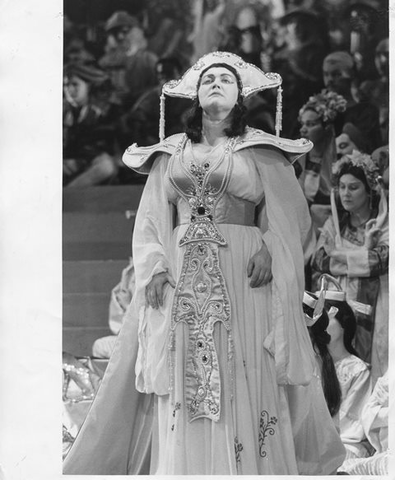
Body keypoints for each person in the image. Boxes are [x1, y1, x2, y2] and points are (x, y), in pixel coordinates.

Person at [63, 51, 345, 475]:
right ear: (195, 92)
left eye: (226, 79)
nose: (216, 83)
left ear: (239, 95)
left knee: (242, 363)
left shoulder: (258, 148)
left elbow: (291, 216)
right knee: (183, 367)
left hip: (243, 272)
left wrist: (270, 248)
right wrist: (156, 266)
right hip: (181, 271)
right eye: (208, 78)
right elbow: (152, 218)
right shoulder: (172, 150)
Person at [312, 151, 388, 384]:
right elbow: (320, 261)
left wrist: (339, 256)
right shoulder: (334, 224)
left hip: (377, 305)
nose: (346, 193)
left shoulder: (384, 224)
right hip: (339, 305)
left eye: (353, 187)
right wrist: (362, 254)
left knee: (376, 358)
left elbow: (380, 261)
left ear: (369, 190)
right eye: (342, 187)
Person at [317, 275, 372, 461]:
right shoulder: (311, 364)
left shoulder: (357, 370)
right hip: (314, 442)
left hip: (345, 445)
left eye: (327, 319)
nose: (321, 326)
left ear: (344, 325)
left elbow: (351, 423)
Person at [297, 89, 347, 231]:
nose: (303, 130)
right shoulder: (295, 161)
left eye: (311, 124)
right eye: (303, 124)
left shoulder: (342, 163)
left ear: (327, 128)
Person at [63, 63, 117, 187]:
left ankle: (69, 193)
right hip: (64, 163)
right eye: (66, 85)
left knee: (106, 166)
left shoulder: (101, 113)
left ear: (88, 86)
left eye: (75, 84)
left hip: (87, 163)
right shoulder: (60, 110)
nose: (69, 90)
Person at [322, 51, 382, 152]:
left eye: (337, 74)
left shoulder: (367, 111)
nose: (330, 80)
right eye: (326, 74)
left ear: (351, 75)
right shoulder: (319, 109)